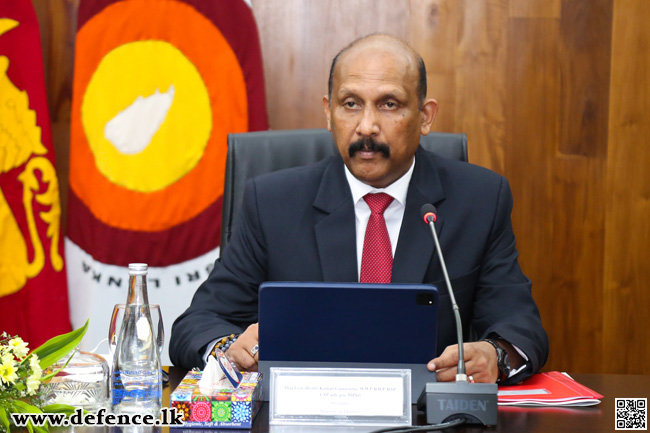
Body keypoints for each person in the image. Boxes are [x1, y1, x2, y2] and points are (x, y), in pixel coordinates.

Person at [170, 34, 548, 385]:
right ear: (328, 112)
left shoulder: (479, 198)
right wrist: (227, 350)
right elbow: (198, 323)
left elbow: (520, 325)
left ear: (425, 116)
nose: (367, 126)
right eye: (350, 104)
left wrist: (495, 354)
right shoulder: (271, 203)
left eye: (389, 104)